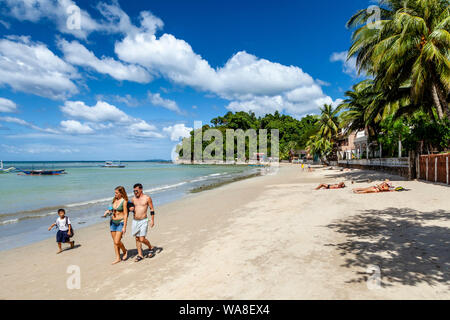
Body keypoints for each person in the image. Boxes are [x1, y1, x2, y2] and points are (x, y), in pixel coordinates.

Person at [131, 183, 159, 262]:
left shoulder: (147, 198)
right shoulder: (133, 199)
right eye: (134, 191)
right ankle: (140, 255)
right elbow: (131, 208)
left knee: (142, 239)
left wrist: (152, 220)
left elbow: (152, 209)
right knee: (137, 238)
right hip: (135, 221)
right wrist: (131, 209)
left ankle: (150, 247)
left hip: (144, 220)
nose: (135, 192)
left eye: (136, 191)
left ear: (141, 189)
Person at [104, 186, 129, 264]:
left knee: (117, 241)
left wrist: (124, 226)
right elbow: (111, 209)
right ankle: (118, 258)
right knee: (115, 242)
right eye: (115, 193)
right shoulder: (114, 200)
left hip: (120, 222)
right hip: (113, 223)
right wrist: (107, 212)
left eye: (117, 193)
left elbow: (125, 214)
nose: (115, 194)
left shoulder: (124, 201)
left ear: (121, 193)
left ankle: (125, 251)